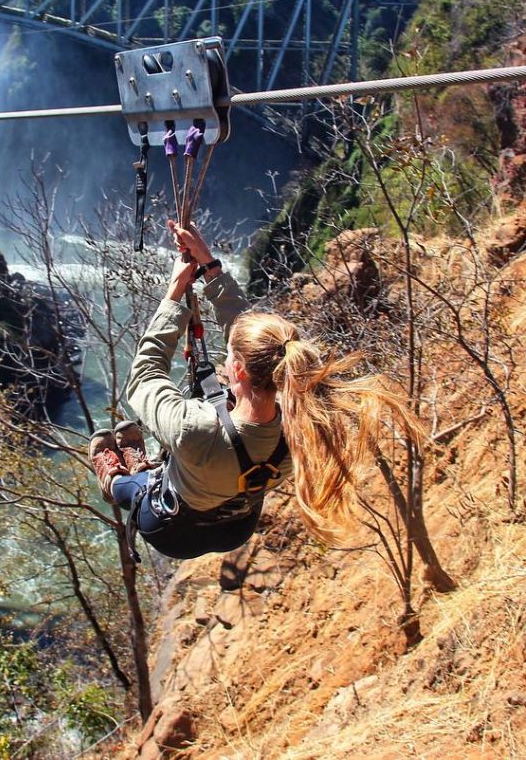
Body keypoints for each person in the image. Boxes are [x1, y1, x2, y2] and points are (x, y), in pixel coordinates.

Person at [89, 220, 424, 560]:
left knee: (136, 488)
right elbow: (256, 341)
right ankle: (142, 468)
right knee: (203, 445)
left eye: (232, 355)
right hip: (237, 526)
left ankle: (117, 478)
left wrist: (175, 291)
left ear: (238, 369)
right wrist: (211, 267)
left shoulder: (195, 428)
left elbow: (144, 376)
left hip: (174, 531)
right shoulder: (305, 418)